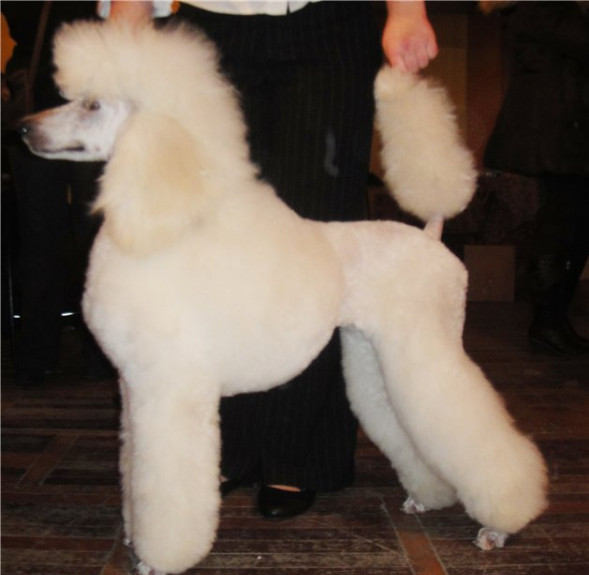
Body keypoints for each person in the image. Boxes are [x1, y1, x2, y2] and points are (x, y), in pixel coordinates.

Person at [106, 0, 438, 518]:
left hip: (329, 23)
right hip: (208, 25)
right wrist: (126, 18)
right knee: (215, 243)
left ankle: (298, 455)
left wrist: (407, 10)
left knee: (315, 249)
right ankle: (227, 448)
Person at [2, 1, 112, 385]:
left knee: (88, 237)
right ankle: (49, 354)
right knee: (48, 238)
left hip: (92, 108)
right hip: (43, 105)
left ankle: (63, 354)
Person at [483, 0, 589, 355]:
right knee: (561, 226)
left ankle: (554, 319)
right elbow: (577, 41)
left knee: (573, 226)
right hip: (554, 132)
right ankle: (547, 322)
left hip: (565, 129)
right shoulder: (539, 7)